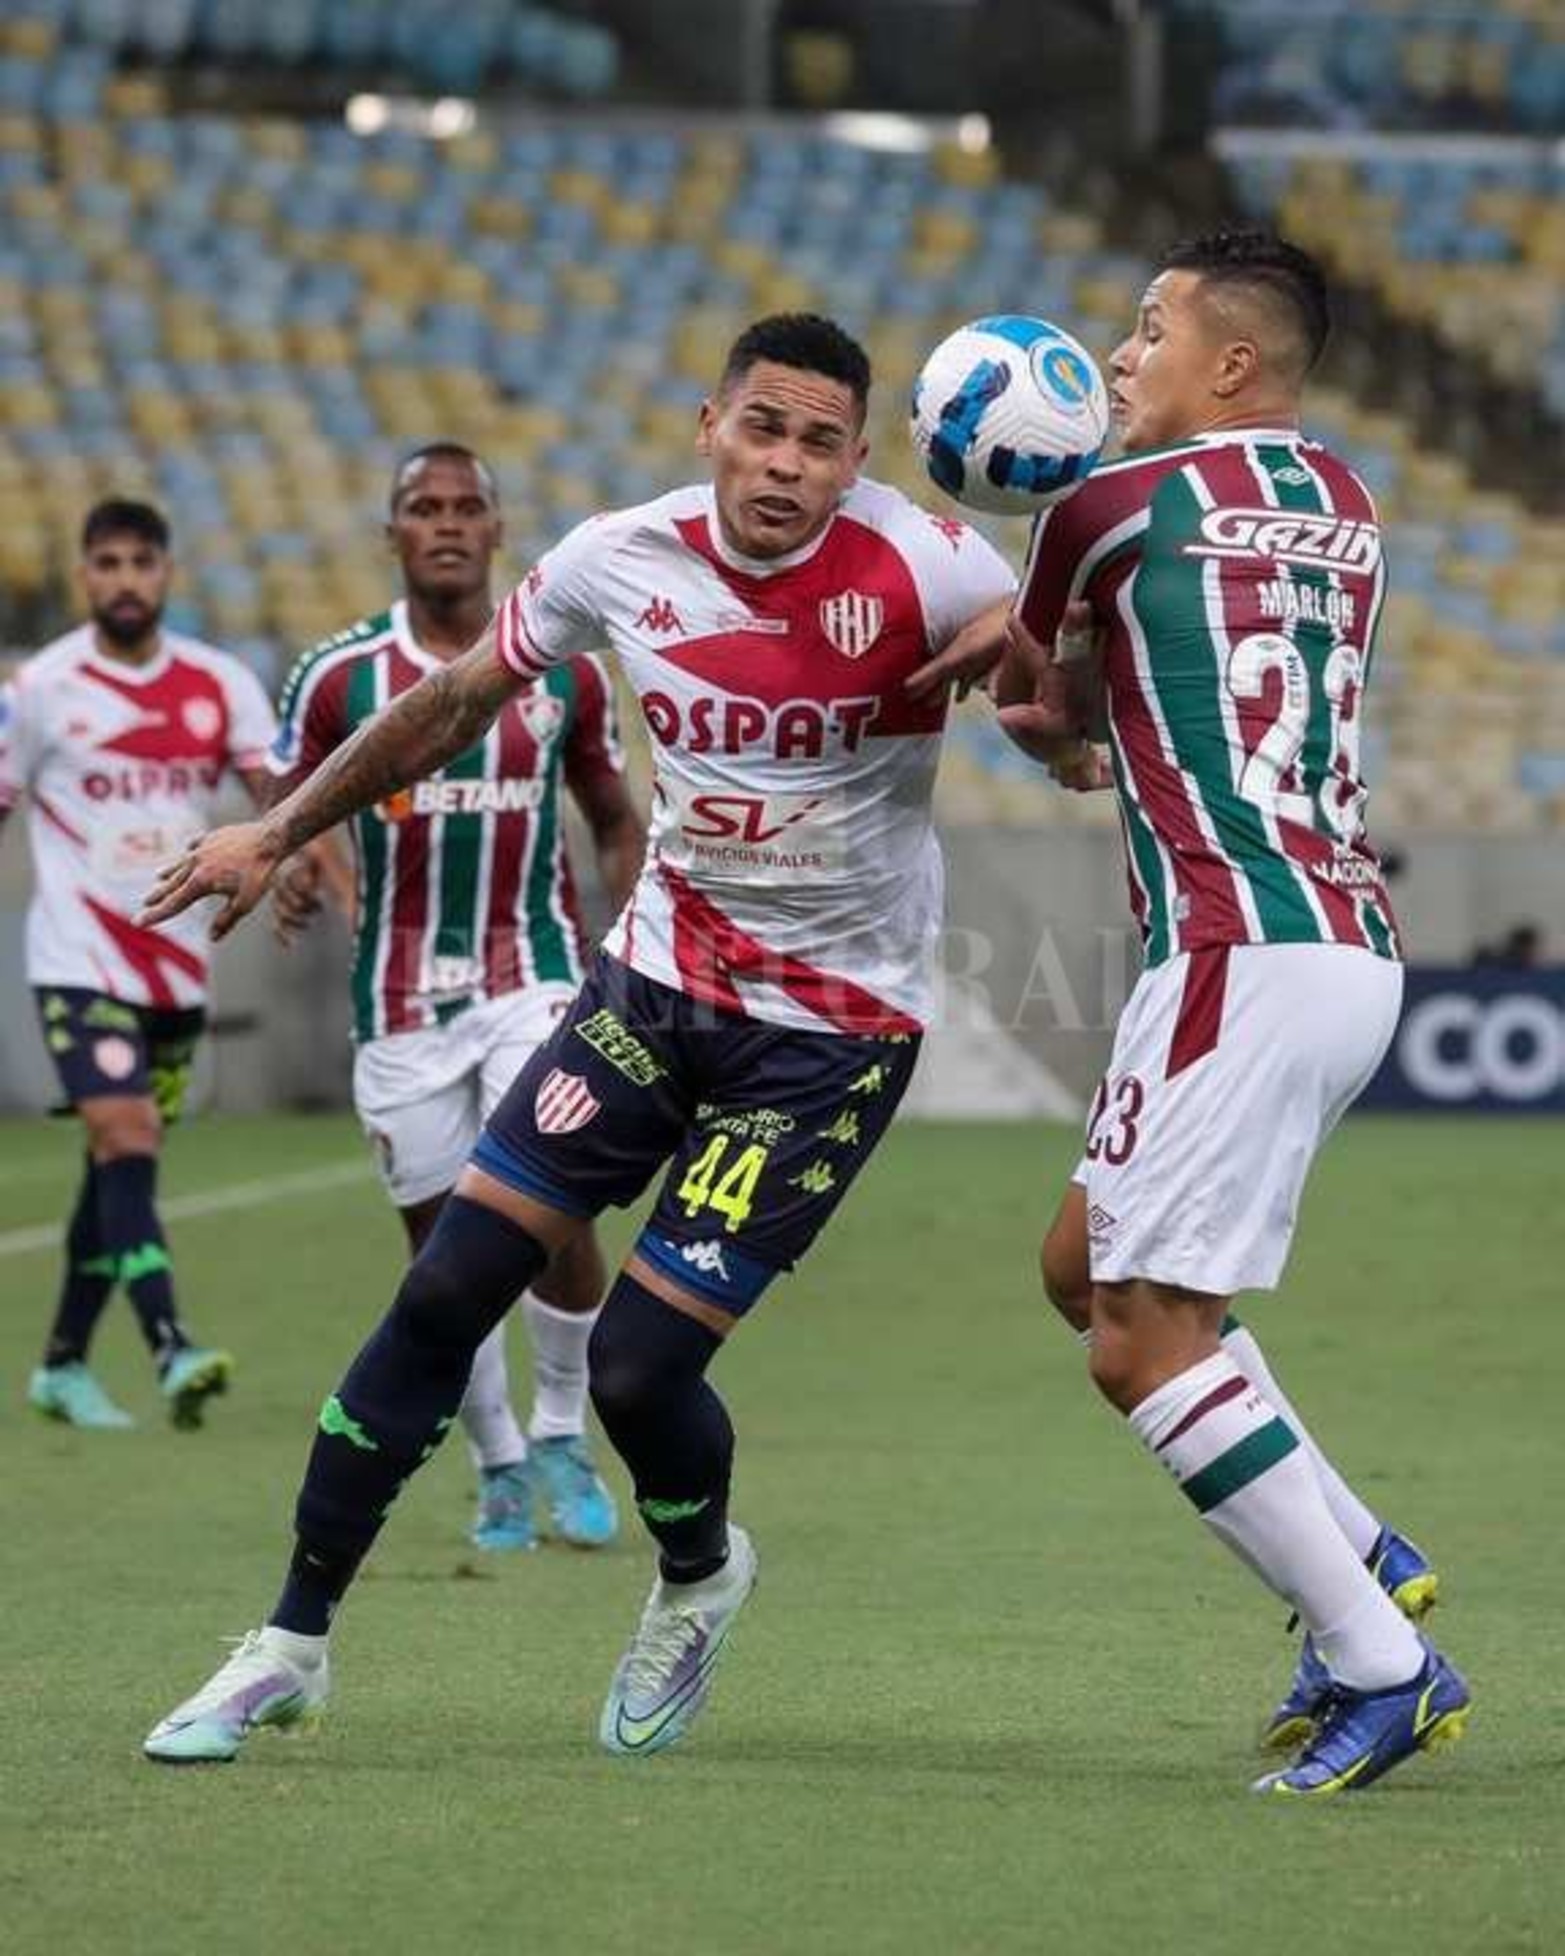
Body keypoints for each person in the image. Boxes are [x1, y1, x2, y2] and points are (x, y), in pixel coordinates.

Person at [138, 312, 1017, 1763]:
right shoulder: (620, 554)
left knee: (633, 1372)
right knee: (443, 1295)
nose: (785, 465)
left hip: (827, 1041)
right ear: (708, 424)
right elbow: (452, 703)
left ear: (859, 459)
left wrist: (1041, 674)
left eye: (817, 442)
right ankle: (288, 1644)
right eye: (761, 428)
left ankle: (698, 1577)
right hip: (652, 993)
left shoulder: (937, 565)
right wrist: (278, 824)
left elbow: (1060, 734)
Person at [941, 228, 1470, 1796]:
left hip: (1233, 950)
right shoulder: (1353, 506)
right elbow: (1201, 667)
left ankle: (1381, 1657)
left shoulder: (1100, 504)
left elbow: (1046, 701)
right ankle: (1362, 1547)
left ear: (1229, 363)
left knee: (1134, 1344)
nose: (1117, 354)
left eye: (1148, 325)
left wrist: (1032, 703)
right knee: (1080, 1267)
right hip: (1343, 940)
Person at [269, 441, 644, 1551]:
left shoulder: (560, 670)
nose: (443, 523)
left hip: (531, 973)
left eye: (464, 507)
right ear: (392, 534)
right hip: (398, 999)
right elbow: (286, 803)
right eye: (421, 508)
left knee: (552, 1204)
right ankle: (497, 1462)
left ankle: (564, 1427)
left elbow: (613, 812)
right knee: (444, 1253)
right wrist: (298, 865)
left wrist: (625, 938)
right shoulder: (339, 676)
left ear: (493, 529)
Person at [0, 499, 278, 1428]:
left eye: (140, 563)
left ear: (166, 573)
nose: (125, 580)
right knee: (125, 1138)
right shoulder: (41, 687)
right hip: (76, 960)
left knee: (117, 1166)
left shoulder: (221, 682)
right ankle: (172, 1345)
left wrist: (311, 865)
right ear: (85, 576)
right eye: (107, 564)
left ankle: (62, 1366)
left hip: (176, 970)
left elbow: (276, 798)